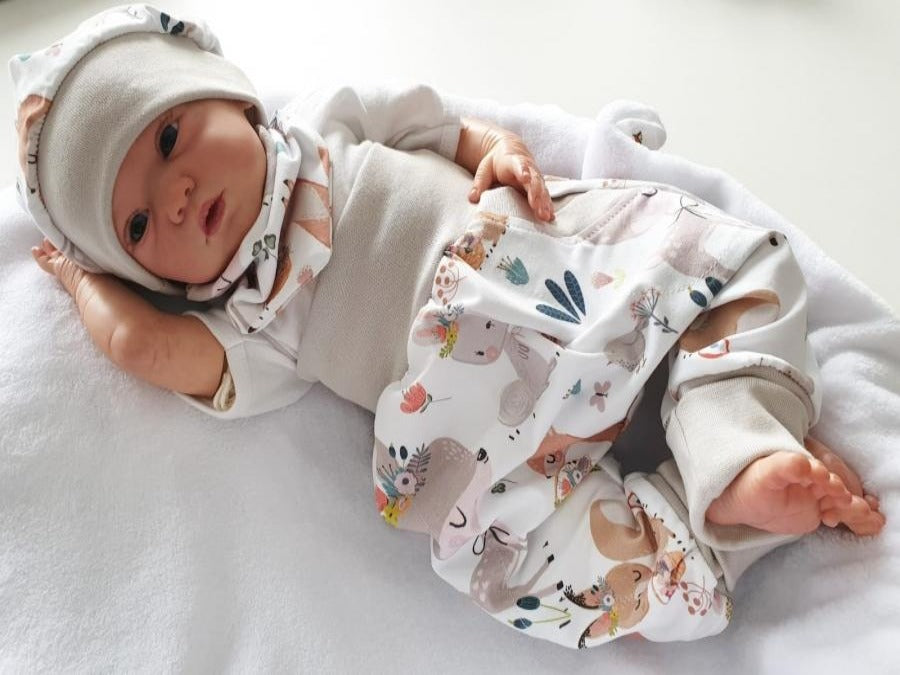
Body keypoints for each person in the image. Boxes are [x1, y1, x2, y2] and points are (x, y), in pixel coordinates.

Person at [12, 4, 883, 648]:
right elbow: (143, 346)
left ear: (230, 95)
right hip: (464, 406)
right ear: (150, 278)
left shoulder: (326, 122)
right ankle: (708, 529)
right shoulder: (250, 323)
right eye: (136, 226)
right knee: (517, 566)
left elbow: (448, 128)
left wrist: (496, 152)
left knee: (732, 261)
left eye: (169, 137)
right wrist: (84, 280)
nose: (174, 196)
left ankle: (732, 442)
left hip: (542, 263)